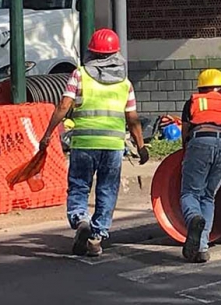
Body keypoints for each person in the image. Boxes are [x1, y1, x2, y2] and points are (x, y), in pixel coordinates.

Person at [38, 28, 148, 257]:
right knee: (107, 190)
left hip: (84, 143)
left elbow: (63, 106)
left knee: (79, 185)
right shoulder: (125, 84)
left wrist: (48, 133)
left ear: (92, 53)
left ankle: (80, 220)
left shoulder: (79, 75)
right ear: (116, 54)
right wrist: (141, 146)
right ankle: (96, 238)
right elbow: (133, 119)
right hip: (113, 147)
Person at [180, 69, 221, 263]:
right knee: (209, 195)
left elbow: (185, 133)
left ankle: (193, 218)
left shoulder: (194, 101)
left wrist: (187, 152)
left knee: (190, 192)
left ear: (201, 88)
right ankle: (201, 248)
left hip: (201, 139)